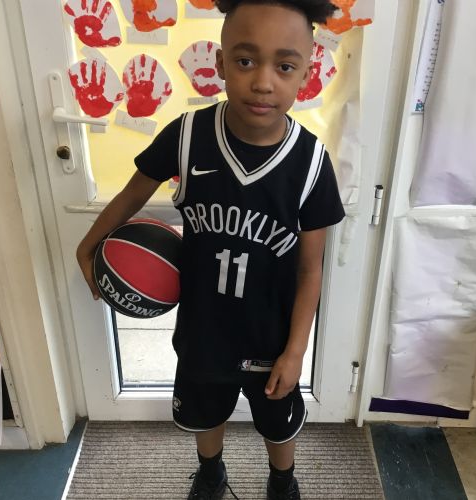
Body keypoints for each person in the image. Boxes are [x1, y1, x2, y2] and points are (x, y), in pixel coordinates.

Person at [77, 0, 344, 498]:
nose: (262, 82)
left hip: (271, 334)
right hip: (204, 327)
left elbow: (311, 270)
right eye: (245, 60)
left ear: (306, 76)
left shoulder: (311, 163)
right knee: (204, 411)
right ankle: (211, 472)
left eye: (284, 66)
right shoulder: (187, 136)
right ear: (220, 64)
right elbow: (132, 195)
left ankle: (282, 481)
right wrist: (89, 244)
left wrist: (296, 351)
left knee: (277, 421)